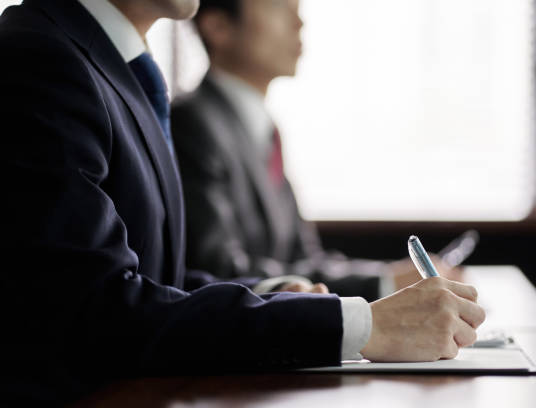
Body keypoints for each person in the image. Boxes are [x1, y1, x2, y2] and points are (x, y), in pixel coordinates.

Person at [0, 0, 485, 405]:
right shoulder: (40, 58)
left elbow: (155, 279)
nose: (299, 20)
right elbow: (100, 311)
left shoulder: (112, 70)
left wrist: (280, 292)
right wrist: (360, 324)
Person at [171, 0, 455, 302]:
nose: (299, 22)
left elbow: (304, 257)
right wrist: (381, 284)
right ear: (218, 26)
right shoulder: (191, 124)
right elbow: (220, 269)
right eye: (279, 6)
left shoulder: (262, 129)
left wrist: (389, 276)